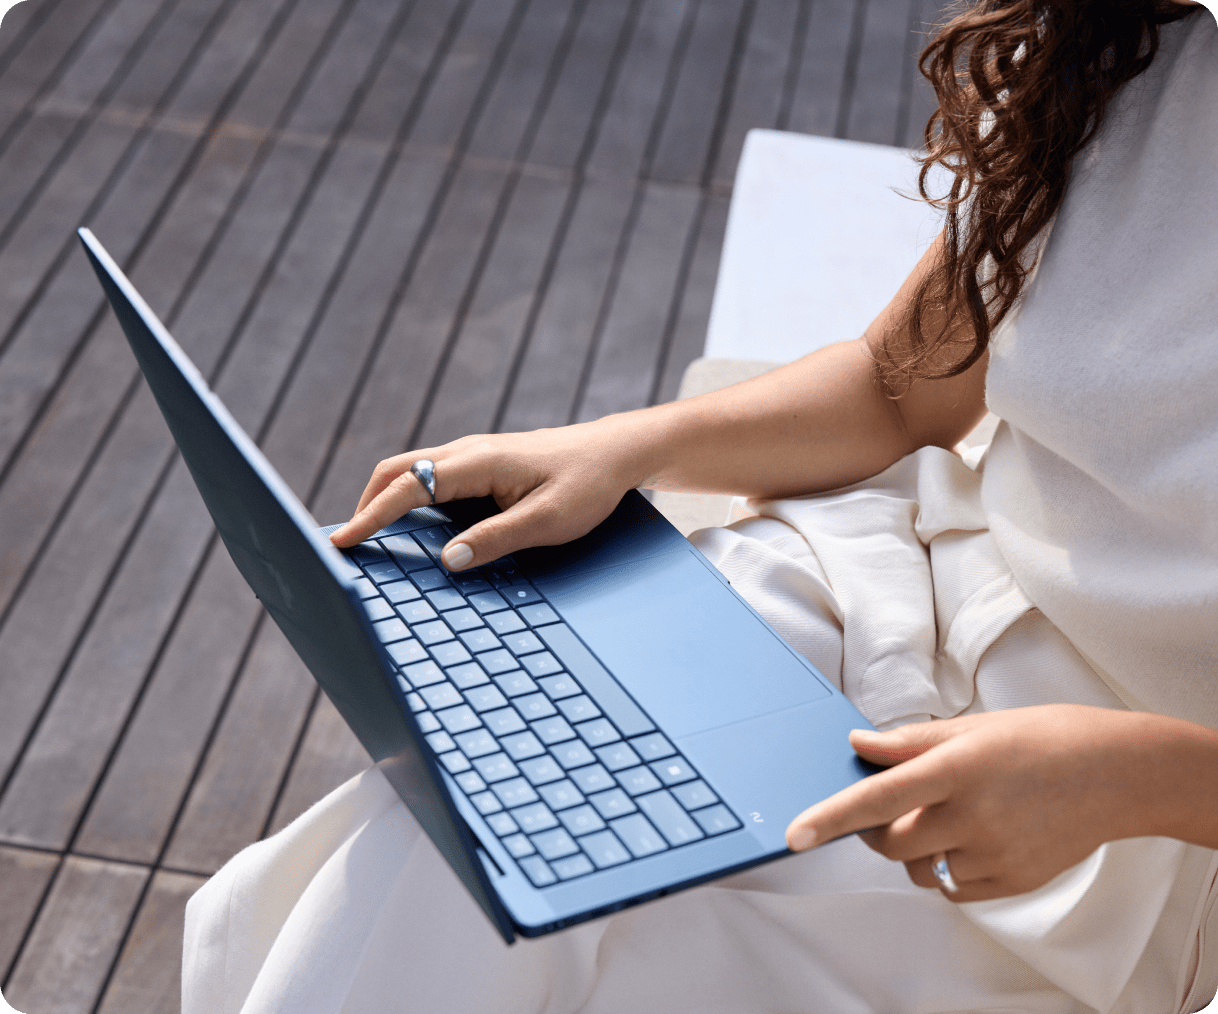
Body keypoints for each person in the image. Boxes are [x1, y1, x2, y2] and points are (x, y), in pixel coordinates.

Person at [182, 1, 1218, 1011]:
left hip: (1130, 829)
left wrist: (1136, 778)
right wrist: (614, 449)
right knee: (486, 819)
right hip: (913, 595)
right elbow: (900, 381)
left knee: (632, 952)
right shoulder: (1133, 45)